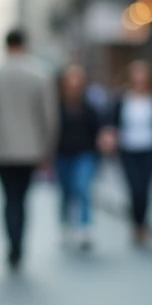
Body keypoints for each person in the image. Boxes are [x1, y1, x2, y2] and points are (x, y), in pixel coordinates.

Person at [0, 29, 58, 270]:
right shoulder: (40, 75)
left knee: (8, 198)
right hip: (31, 151)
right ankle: (19, 244)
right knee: (22, 197)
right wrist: (48, 150)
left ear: (6, 45)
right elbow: (50, 117)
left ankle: (12, 244)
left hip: (0, 150)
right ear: (24, 44)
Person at [104, 60, 152, 245]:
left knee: (146, 189)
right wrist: (110, 136)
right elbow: (112, 122)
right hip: (128, 149)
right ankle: (135, 223)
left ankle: (143, 224)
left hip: (149, 148)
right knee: (134, 188)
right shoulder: (122, 99)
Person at [55, 64, 102, 251]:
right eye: (70, 80)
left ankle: (85, 228)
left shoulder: (89, 108)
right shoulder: (57, 106)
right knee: (66, 191)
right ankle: (65, 225)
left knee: (82, 188)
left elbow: (98, 130)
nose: (74, 85)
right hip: (62, 154)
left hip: (85, 154)